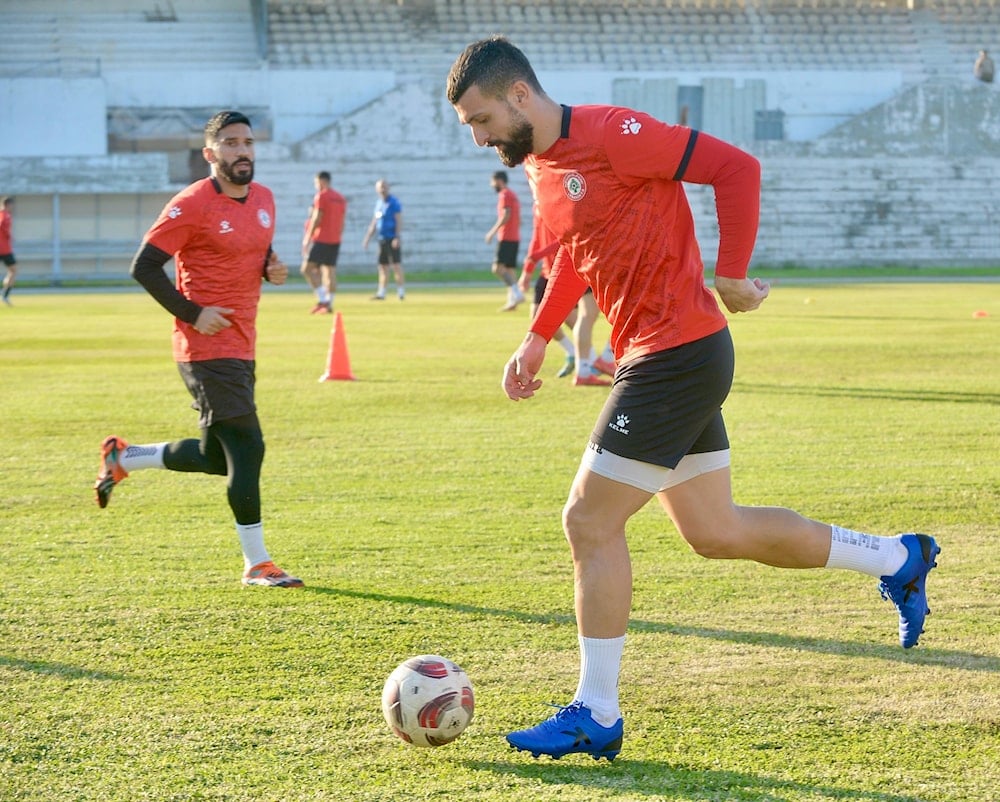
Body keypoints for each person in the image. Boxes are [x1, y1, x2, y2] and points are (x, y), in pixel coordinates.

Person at [447, 36, 940, 762]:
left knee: (587, 520)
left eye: (481, 119)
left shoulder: (614, 132)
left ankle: (597, 712)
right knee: (717, 532)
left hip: (677, 354)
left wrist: (733, 273)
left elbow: (736, 168)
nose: (481, 138)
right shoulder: (543, 167)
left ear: (518, 95)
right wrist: (537, 337)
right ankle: (897, 557)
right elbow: (579, 257)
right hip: (664, 356)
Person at [93, 110, 303, 589]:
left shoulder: (265, 199)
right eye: (230, 143)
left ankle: (123, 458)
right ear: (211, 154)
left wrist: (271, 267)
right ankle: (257, 564)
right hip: (205, 348)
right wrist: (192, 313)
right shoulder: (191, 203)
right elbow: (144, 267)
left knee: (216, 457)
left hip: (244, 344)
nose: (242, 150)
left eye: (247, 142)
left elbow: (253, 254)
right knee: (249, 447)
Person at [301, 170, 347, 314]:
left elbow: (317, 218)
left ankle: (322, 300)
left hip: (321, 238)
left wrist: (307, 238)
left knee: (307, 269)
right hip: (335, 240)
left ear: (322, 181)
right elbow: (342, 222)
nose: (316, 186)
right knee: (330, 271)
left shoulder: (322, 196)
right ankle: (329, 303)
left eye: (316, 182)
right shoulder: (340, 198)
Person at [485, 170, 524, 311]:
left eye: (493, 182)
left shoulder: (504, 194)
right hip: (515, 237)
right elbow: (519, 218)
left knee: (497, 268)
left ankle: (517, 293)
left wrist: (492, 232)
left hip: (506, 236)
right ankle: (512, 302)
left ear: (499, 181)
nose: (492, 185)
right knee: (509, 270)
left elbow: (506, 214)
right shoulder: (513, 195)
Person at [362, 178, 404, 301]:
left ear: (388, 188)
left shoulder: (394, 202)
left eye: (384, 186)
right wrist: (367, 238)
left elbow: (399, 220)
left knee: (396, 265)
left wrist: (397, 236)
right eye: (380, 187)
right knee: (383, 267)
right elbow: (374, 222)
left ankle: (401, 292)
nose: (382, 189)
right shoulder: (379, 204)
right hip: (382, 238)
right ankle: (382, 293)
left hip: (392, 238)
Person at [0, 196, 16, 306]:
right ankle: (5, 294)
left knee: (13, 271)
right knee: (13, 270)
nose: (12, 207)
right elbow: (1, 225)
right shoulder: (4, 215)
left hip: (4, 247)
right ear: (7, 205)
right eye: (11, 205)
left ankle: (4, 294)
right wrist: (7, 234)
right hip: (4, 249)